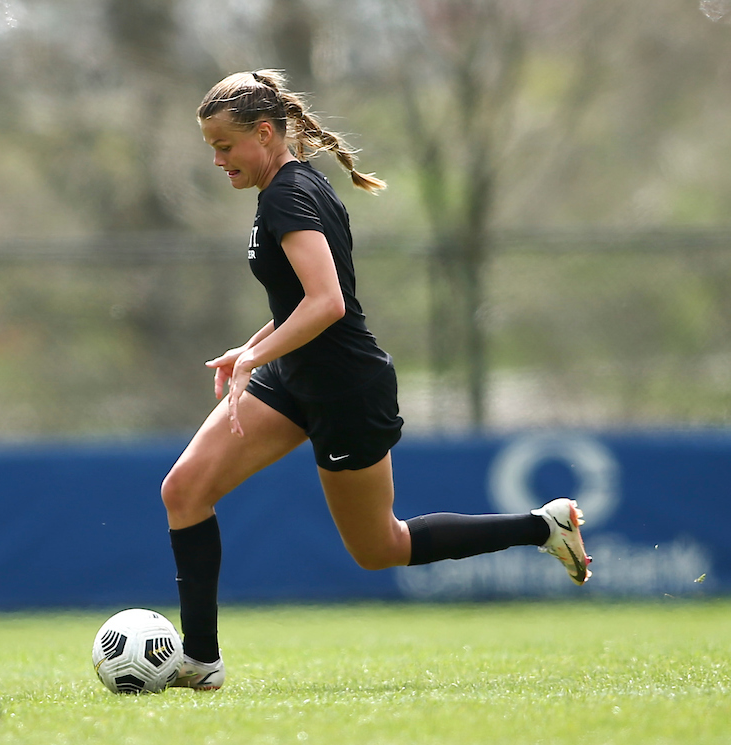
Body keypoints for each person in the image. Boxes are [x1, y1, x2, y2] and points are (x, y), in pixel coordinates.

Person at [162, 70, 592, 691]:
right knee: (184, 491)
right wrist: (250, 348)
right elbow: (297, 303)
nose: (217, 160)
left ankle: (543, 526)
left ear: (264, 132)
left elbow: (328, 302)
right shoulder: (289, 187)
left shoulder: (289, 194)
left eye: (224, 147)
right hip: (294, 374)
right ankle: (201, 660)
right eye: (210, 148)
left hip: (343, 388)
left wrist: (256, 359)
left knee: (379, 548)